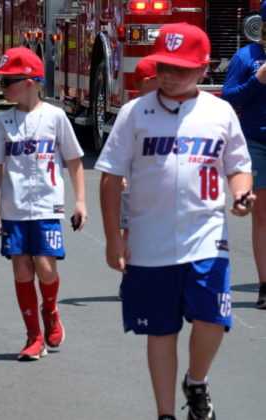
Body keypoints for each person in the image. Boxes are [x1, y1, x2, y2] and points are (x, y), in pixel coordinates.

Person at [95, 23, 253, 420]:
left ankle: (196, 381)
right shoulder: (136, 113)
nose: (169, 75)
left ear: (204, 69)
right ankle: (165, 413)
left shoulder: (220, 112)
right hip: (150, 243)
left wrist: (240, 192)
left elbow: (238, 166)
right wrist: (114, 238)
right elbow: (111, 178)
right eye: (164, 65)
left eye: (181, 68)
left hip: (206, 237)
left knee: (212, 319)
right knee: (161, 330)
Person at [0, 47, 87, 361]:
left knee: (44, 268)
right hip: (12, 210)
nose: (1, 88)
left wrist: (80, 201)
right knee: (22, 270)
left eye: (6, 81)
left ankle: (51, 311)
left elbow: (74, 160)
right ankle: (33, 337)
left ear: (30, 81)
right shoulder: (3, 122)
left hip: (47, 208)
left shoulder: (55, 117)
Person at [221, 1, 266, 310]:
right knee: (262, 217)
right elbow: (229, 96)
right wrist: (258, 80)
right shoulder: (246, 57)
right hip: (256, 142)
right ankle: (265, 285)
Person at [116, 56, 159, 301]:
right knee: (131, 231)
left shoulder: (170, 109)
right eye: (156, 79)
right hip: (133, 181)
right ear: (143, 83)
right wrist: (120, 174)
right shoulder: (129, 111)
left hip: (160, 185)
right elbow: (118, 148)